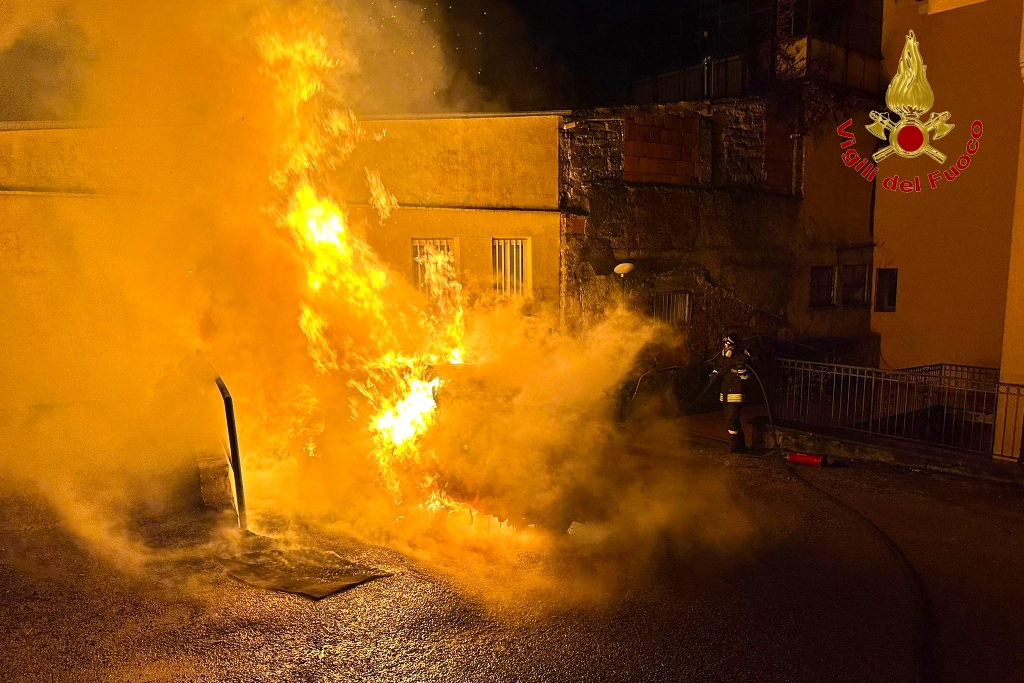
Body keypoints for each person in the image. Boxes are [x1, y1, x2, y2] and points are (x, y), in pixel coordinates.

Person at [709, 333, 751, 453]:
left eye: (730, 345)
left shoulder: (742, 357)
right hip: (725, 391)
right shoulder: (723, 356)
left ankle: (734, 442)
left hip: (736, 393)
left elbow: (747, 378)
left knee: (731, 418)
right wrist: (713, 375)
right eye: (726, 344)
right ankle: (741, 443)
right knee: (732, 419)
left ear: (736, 345)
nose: (727, 347)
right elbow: (718, 368)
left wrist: (742, 370)